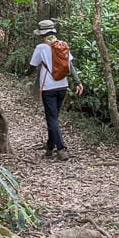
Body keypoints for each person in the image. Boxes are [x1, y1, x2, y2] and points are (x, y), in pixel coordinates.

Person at [30, 19, 83, 160]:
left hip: (48, 88)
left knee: (52, 118)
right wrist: (78, 82)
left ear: (42, 34)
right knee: (54, 117)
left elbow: (32, 66)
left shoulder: (41, 48)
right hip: (63, 86)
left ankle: (61, 149)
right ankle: (49, 146)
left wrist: (25, 74)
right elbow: (70, 66)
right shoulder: (63, 45)